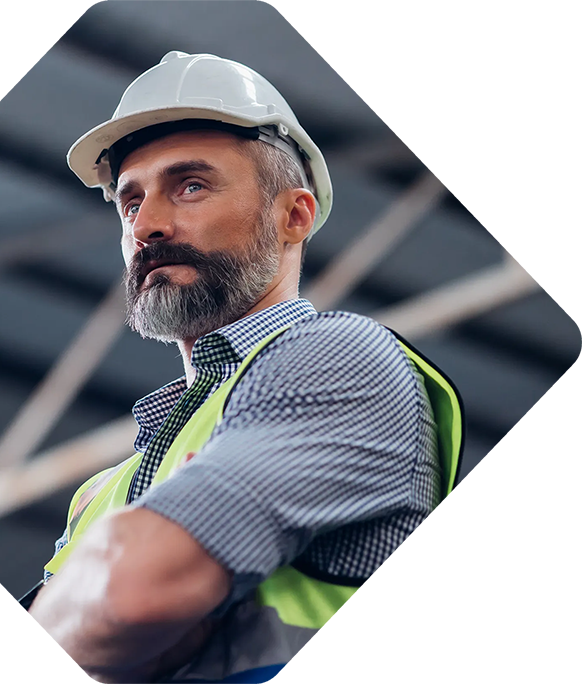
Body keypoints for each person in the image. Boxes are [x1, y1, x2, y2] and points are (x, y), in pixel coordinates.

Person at [24, 51, 463, 683]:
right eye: (129, 202)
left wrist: (110, 611)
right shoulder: (98, 496)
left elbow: (129, 599)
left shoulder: (341, 362)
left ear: (295, 216)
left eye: (190, 186)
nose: (146, 224)